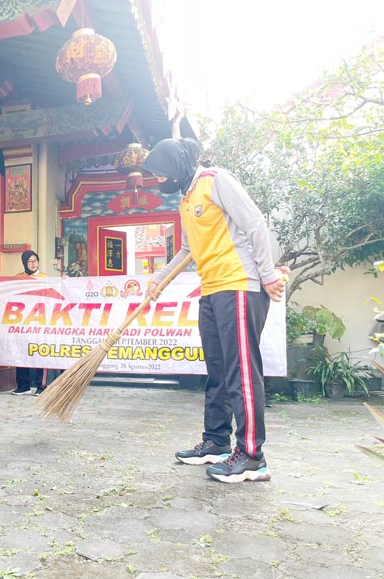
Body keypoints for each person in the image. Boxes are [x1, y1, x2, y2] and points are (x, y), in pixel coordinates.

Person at [142, 138, 285, 484]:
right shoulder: (186, 198)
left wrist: (267, 274)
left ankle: (252, 455)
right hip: (211, 289)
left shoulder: (214, 180)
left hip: (239, 284)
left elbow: (255, 223)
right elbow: (188, 249)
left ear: (175, 166)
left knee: (241, 372)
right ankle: (217, 442)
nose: (159, 182)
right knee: (218, 371)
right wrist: (159, 279)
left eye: (160, 174)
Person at [11, 250, 59, 396]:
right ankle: (23, 385)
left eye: (35, 261)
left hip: (40, 320)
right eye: (30, 261)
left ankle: (42, 386)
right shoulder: (17, 278)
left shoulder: (45, 278)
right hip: (23, 320)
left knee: (40, 351)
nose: (33, 264)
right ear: (24, 263)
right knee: (21, 351)